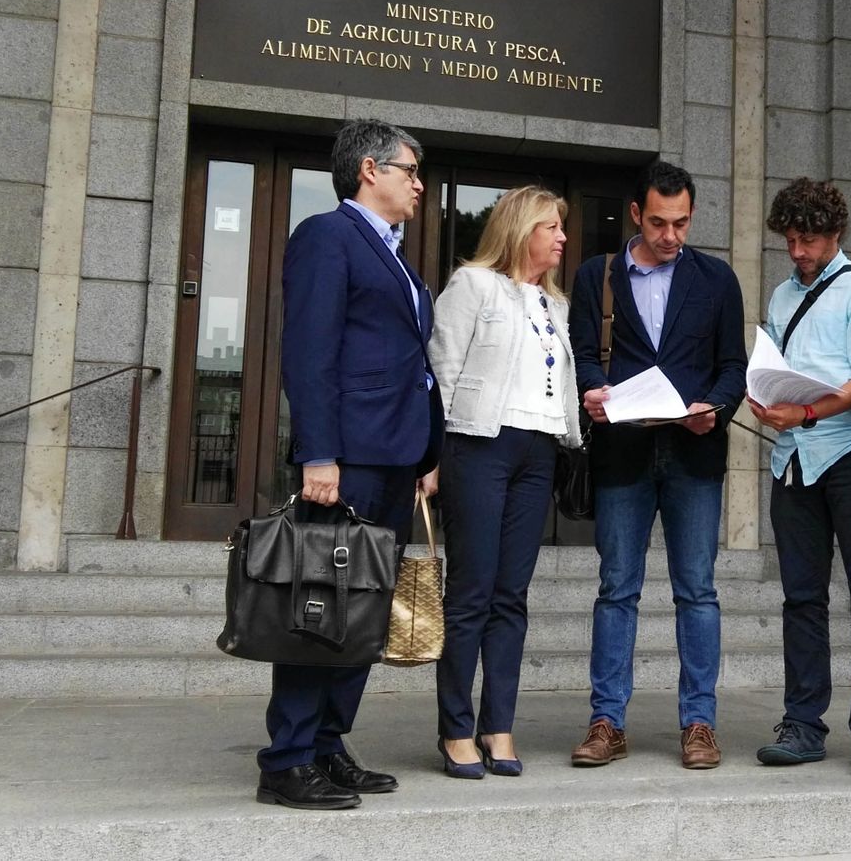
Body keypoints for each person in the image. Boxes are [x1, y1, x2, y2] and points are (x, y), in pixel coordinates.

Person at [259, 119, 443, 810]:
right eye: (409, 170)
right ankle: (287, 759)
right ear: (370, 169)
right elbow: (308, 354)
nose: (419, 184)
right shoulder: (326, 237)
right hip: (347, 460)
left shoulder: (394, 253)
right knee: (320, 605)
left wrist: (426, 453)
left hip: (394, 459)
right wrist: (319, 454)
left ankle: (330, 747)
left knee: (361, 611)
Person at [566, 161, 748, 770]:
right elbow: (584, 355)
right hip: (623, 453)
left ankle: (699, 724)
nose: (672, 235)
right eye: (661, 222)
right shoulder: (598, 275)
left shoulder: (717, 279)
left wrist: (716, 409)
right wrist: (593, 390)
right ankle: (606, 722)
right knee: (617, 589)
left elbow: (732, 367)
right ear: (637, 215)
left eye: (683, 223)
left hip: (694, 452)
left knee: (697, 591)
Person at [426, 186, 583, 779]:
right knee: (470, 594)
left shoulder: (555, 304)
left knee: (511, 597)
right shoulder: (473, 285)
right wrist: (432, 455)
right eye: (551, 226)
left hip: (538, 451)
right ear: (520, 229)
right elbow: (441, 368)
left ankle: (499, 726)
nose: (562, 237)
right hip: (479, 446)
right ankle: (456, 730)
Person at [747, 178, 851, 777]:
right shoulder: (783, 296)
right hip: (790, 457)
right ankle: (803, 723)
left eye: (807, 239)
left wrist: (806, 410)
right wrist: (769, 400)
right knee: (801, 599)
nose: (797, 251)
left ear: (835, 234)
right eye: (789, 239)